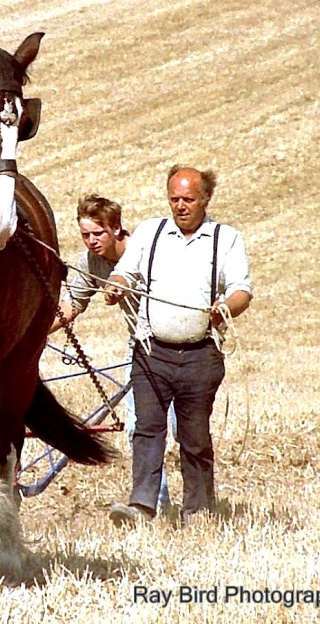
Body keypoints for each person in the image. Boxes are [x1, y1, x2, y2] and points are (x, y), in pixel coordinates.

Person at [104, 165, 252, 525]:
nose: (180, 206)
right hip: (152, 353)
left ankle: (198, 509)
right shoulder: (150, 232)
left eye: (188, 199)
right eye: (174, 199)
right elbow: (125, 270)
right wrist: (117, 284)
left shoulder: (225, 238)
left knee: (195, 435)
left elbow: (242, 291)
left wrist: (223, 309)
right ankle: (141, 506)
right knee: (147, 430)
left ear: (205, 199)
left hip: (201, 355)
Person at [48, 194, 175, 509]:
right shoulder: (90, 262)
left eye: (98, 233)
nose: (91, 241)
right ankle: (156, 503)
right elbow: (71, 305)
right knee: (140, 426)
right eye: (85, 235)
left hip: (177, 343)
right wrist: (32, 334)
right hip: (142, 348)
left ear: (117, 228)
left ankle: (199, 505)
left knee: (184, 432)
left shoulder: (146, 252)